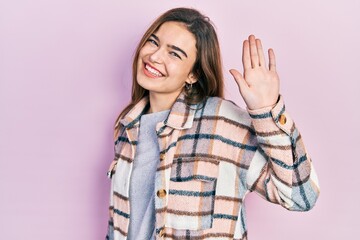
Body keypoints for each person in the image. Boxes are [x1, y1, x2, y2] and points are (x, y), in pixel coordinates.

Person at [105, 7, 320, 240]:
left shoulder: (222, 122)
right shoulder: (127, 127)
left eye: (174, 53)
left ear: (193, 75)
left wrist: (266, 112)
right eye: (153, 42)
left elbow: (301, 195)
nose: (154, 57)